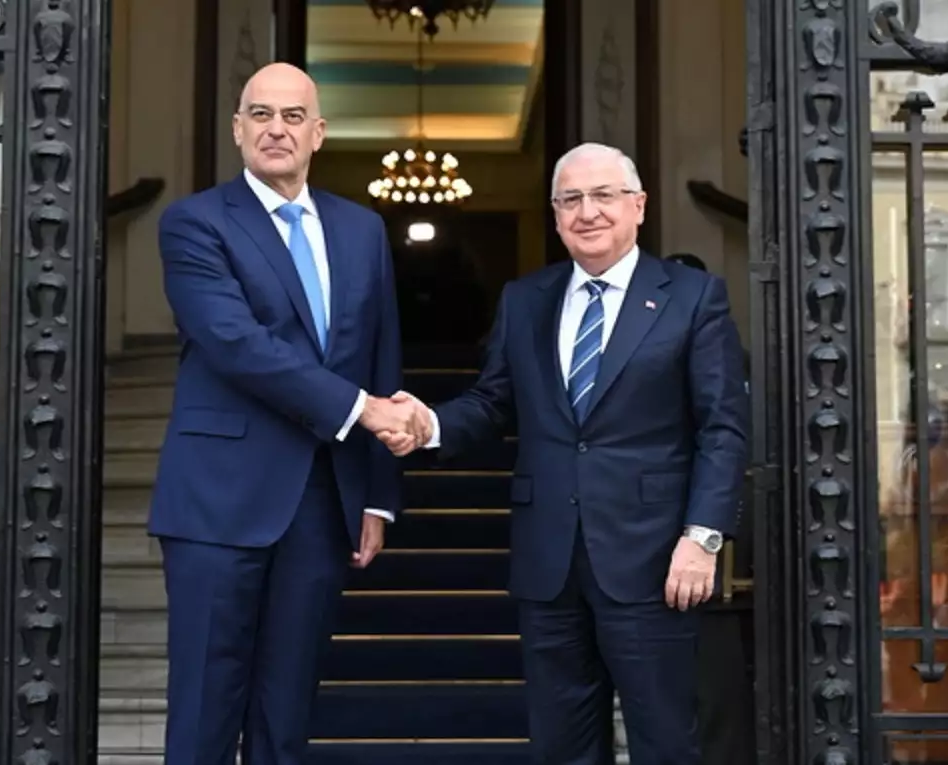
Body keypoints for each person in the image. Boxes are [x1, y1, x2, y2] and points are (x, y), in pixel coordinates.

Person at [381, 142, 749, 764]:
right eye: (570, 199)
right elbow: (494, 402)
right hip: (549, 562)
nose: (587, 211)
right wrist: (430, 425)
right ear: (555, 215)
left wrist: (703, 536)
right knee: (561, 747)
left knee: (666, 743)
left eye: (603, 195)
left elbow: (723, 427)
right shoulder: (526, 299)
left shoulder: (692, 296)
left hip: (655, 560)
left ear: (638, 206)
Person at [150, 62, 424, 765]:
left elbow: (380, 354)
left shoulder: (361, 229)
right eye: (262, 114)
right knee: (204, 716)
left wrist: (377, 497)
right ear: (237, 129)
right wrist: (362, 410)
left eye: (294, 116)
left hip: (321, 502)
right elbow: (237, 344)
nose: (277, 129)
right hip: (216, 504)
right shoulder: (195, 223)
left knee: (287, 717)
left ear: (319, 133)